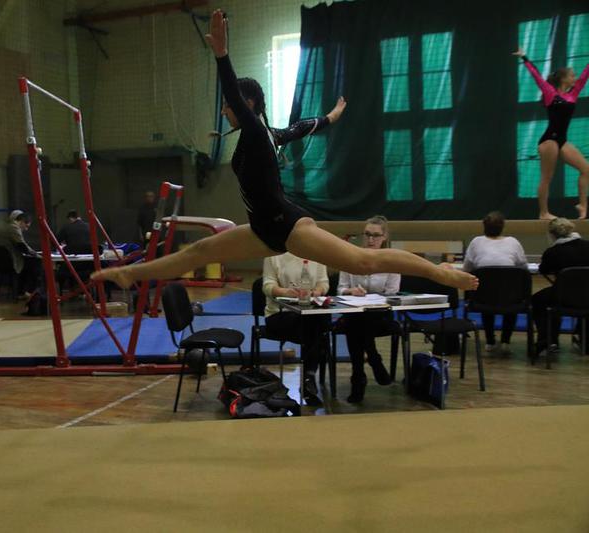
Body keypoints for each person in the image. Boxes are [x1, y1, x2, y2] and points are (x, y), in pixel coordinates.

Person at [92, 10, 478, 296]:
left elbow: (240, 101)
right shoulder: (269, 134)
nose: (225, 111)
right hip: (263, 227)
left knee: (364, 261)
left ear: (248, 104)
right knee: (201, 250)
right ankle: (131, 274)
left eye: (230, 105)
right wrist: (331, 117)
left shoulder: (256, 130)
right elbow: (303, 126)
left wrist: (222, 56)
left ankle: (440, 274)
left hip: (288, 225)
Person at [514, 47, 589, 220]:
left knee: (586, 169)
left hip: (562, 140)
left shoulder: (573, 93)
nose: (575, 78)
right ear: (563, 78)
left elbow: (585, 76)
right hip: (549, 140)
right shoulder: (550, 93)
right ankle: (543, 212)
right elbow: (537, 76)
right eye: (572, 75)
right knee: (547, 177)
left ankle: (583, 205)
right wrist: (524, 57)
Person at [336, 216, 400, 403]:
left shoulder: (392, 260)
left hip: (380, 315)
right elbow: (340, 289)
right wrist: (351, 291)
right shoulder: (350, 258)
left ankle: (358, 377)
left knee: (355, 325)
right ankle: (373, 360)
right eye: (367, 234)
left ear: (384, 237)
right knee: (355, 321)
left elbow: (393, 293)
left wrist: (373, 298)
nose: (371, 239)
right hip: (355, 312)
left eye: (375, 235)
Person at [262, 253, 330, 405]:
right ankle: (309, 377)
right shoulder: (274, 256)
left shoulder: (318, 252)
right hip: (279, 314)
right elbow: (267, 285)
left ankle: (308, 378)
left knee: (316, 321)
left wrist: (317, 292)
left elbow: (324, 283)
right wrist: (285, 292)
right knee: (317, 328)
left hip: (309, 313)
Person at [462, 211, 528, 353]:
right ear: (502, 227)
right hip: (510, 297)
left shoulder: (476, 242)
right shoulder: (513, 242)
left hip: (483, 297)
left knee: (487, 292)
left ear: (484, 226)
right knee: (510, 296)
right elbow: (523, 268)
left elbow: (466, 268)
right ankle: (506, 340)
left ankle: (490, 341)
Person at [532, 218, 589, 358]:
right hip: (587, 295)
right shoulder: (587, 246)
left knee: (538, 300)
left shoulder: (552, 252)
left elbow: (543, 270)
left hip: (563, 297)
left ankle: (548, 341)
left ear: (552, 234)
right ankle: (584, 338)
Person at [0, 210, 42, 298]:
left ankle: (21, 291)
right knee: (36, 264)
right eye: (26, 226)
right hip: (10, 261)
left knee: (29, 264)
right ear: (22, 221)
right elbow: (22, 245)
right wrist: (36, 254)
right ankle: (31, 291)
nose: (26, 229)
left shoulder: (5, 226)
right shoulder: (14, 228)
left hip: (2, 261)